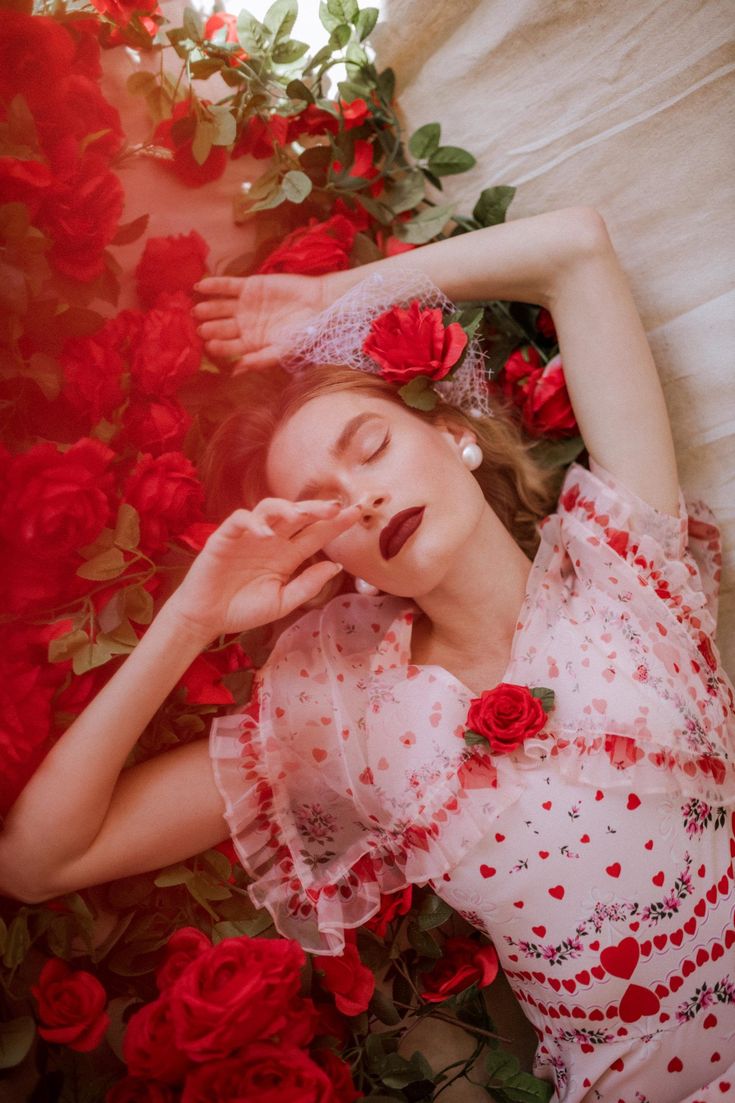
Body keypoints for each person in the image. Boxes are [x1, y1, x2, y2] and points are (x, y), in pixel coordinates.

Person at [0, 206, 733, 1103]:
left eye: (372, 445)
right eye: (323, 505)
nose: (366, 499)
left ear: (455, 436)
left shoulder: (621, 571)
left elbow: (576, 248)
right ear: (328, 555)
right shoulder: (351, 718)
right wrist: (191, 617)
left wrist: (337, 300)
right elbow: (37, 861)